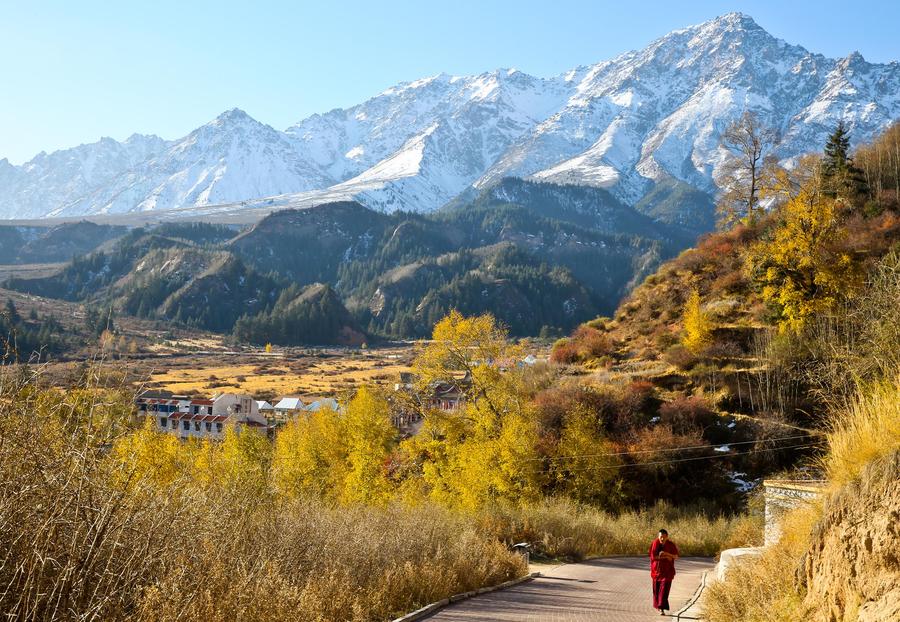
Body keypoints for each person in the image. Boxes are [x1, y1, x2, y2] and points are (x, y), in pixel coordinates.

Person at [649, 528, 679, 615]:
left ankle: (662, 607)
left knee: (665, 588)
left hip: (667, 571)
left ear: (667, 537)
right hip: (657, 571)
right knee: (657, 590)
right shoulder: (655, 543)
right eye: (660, 537)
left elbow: (676, 556)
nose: (662, 539)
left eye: (664, 537)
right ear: (658, 536)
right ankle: (658, 606)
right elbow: (653, 557)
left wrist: (667, 554)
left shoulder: (671, 545)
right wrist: (665, 557)